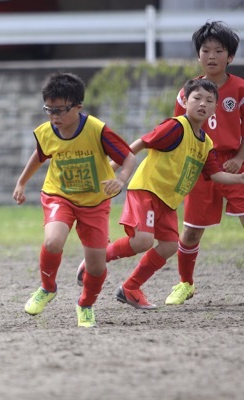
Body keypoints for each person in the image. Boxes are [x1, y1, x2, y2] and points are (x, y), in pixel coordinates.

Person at [79, 79, 244, 310]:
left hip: (168, 201)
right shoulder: (176, 127)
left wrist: (239, 178)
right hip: (147, 190)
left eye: (209, 101)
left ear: (215, 109)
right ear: (185, 101)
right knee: (143, 241)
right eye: (197, 98)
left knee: (169, 246)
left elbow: (216, 175)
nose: (202, 104)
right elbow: (141, 143)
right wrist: (114, 168)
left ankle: (131, 287)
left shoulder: (206, 143)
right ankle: (97, 258)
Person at [13, 72, 137, 328]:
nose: (54, 117)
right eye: (49, 110)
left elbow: (129, 157)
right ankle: (47, 287)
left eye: (60, 110)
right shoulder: (47, 132)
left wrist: (121, 179)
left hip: (94, 202)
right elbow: (40, 155)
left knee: (95, 265)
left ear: (78, 106)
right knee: (53, 239)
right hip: (59, 195)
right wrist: (22, 182)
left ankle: (86, 304)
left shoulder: (97, 130)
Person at [167, 21, 244, 306]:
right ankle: (185, 283)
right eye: (205, 50)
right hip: (200, 166)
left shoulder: (239, 88)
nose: (212, 56)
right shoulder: (188, 91)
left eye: (219, 50)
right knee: (190, 230)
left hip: (234, 165)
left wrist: (239, 157)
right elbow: (178, 130)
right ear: (198, 55)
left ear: (230, 56)